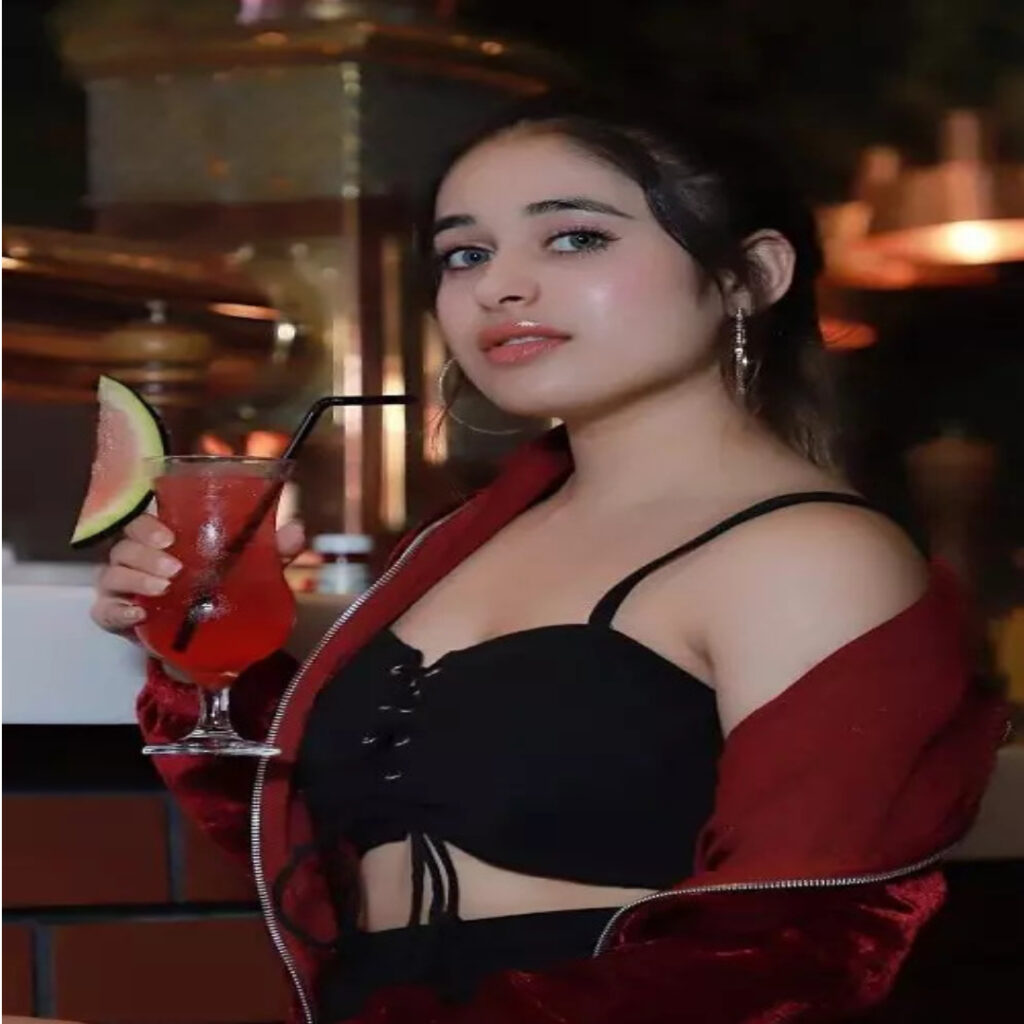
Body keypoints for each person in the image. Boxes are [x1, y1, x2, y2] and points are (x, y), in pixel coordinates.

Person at [91, 95, 1005, 1023]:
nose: (499, 287)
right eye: (465, 254)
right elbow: (308, 845)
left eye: (573, 239)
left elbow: (796, 953)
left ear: (750, 276)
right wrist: (202, 656)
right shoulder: (453, 542)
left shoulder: (812, 555)